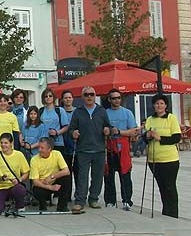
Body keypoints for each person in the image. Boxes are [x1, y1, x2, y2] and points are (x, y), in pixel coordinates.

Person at [68, 86, 111, 214]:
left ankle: (93, 199)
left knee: (97, 176)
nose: (89, 97)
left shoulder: (101, 111)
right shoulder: (78, 111)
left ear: (95, 96)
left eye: (91, 94)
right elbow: (71, 129)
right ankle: (80, 201)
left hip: (99, 149)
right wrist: (73, 133)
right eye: (86, 95)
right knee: (82, 177)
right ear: (82, 97)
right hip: (83, 149)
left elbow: (107, 125)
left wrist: (107, 130)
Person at [145, 94, 182, 218]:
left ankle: (172, 213)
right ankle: (166, 211)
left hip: (170, 159)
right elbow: (144, 138)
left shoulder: (171, 118)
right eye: (156, 103)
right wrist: (147, 136)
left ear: (166, 105)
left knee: (170, 187)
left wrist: (159, 138)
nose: (159, 106)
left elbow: (176, 137)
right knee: (161, 187)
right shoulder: (150, 119)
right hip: (154, 159)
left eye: (161, 103)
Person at [105, 89, 140, 210]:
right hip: (109, 147)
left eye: (118, 98)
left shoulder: (127, 113)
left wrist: (120, 132)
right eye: (113, 98)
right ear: (109, 99)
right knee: (108, 175)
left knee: (125, 175)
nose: (116, 100)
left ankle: (127, 200)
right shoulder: (105, 113)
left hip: (123, 147)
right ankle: (110, 200)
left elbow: (134, 131)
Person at [0, 133, 29, 215]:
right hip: (0, 187)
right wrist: (1, 178)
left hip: (14, 185)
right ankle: (4, 204)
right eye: (1, 143)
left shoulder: (19, 155)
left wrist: (19, 180)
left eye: (6, 143)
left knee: (20, 190)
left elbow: (26, 172)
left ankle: (19, 205)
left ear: (11, 143)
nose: (3, 145)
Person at [30, 138, 71, 212]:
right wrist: (50, 187)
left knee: (66, 178)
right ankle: (43, 206)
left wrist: (52, 176)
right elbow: (35, 181)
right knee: (37, 190)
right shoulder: (34, 159)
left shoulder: (57, 154)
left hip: (54, 181)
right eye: (39, 147)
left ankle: (62, 206)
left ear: (49, 149)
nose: (39, 150)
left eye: (42, 148)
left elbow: (66, 171)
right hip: (43, 184)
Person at [39, 88, 69, 155]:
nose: (48, 98)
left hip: (58, 143)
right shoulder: (40, 111)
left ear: (54, 97)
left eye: (50, 96)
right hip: (44, 143)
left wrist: (57, 132)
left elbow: (66, 127)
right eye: (46, 96)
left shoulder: (60, 110)